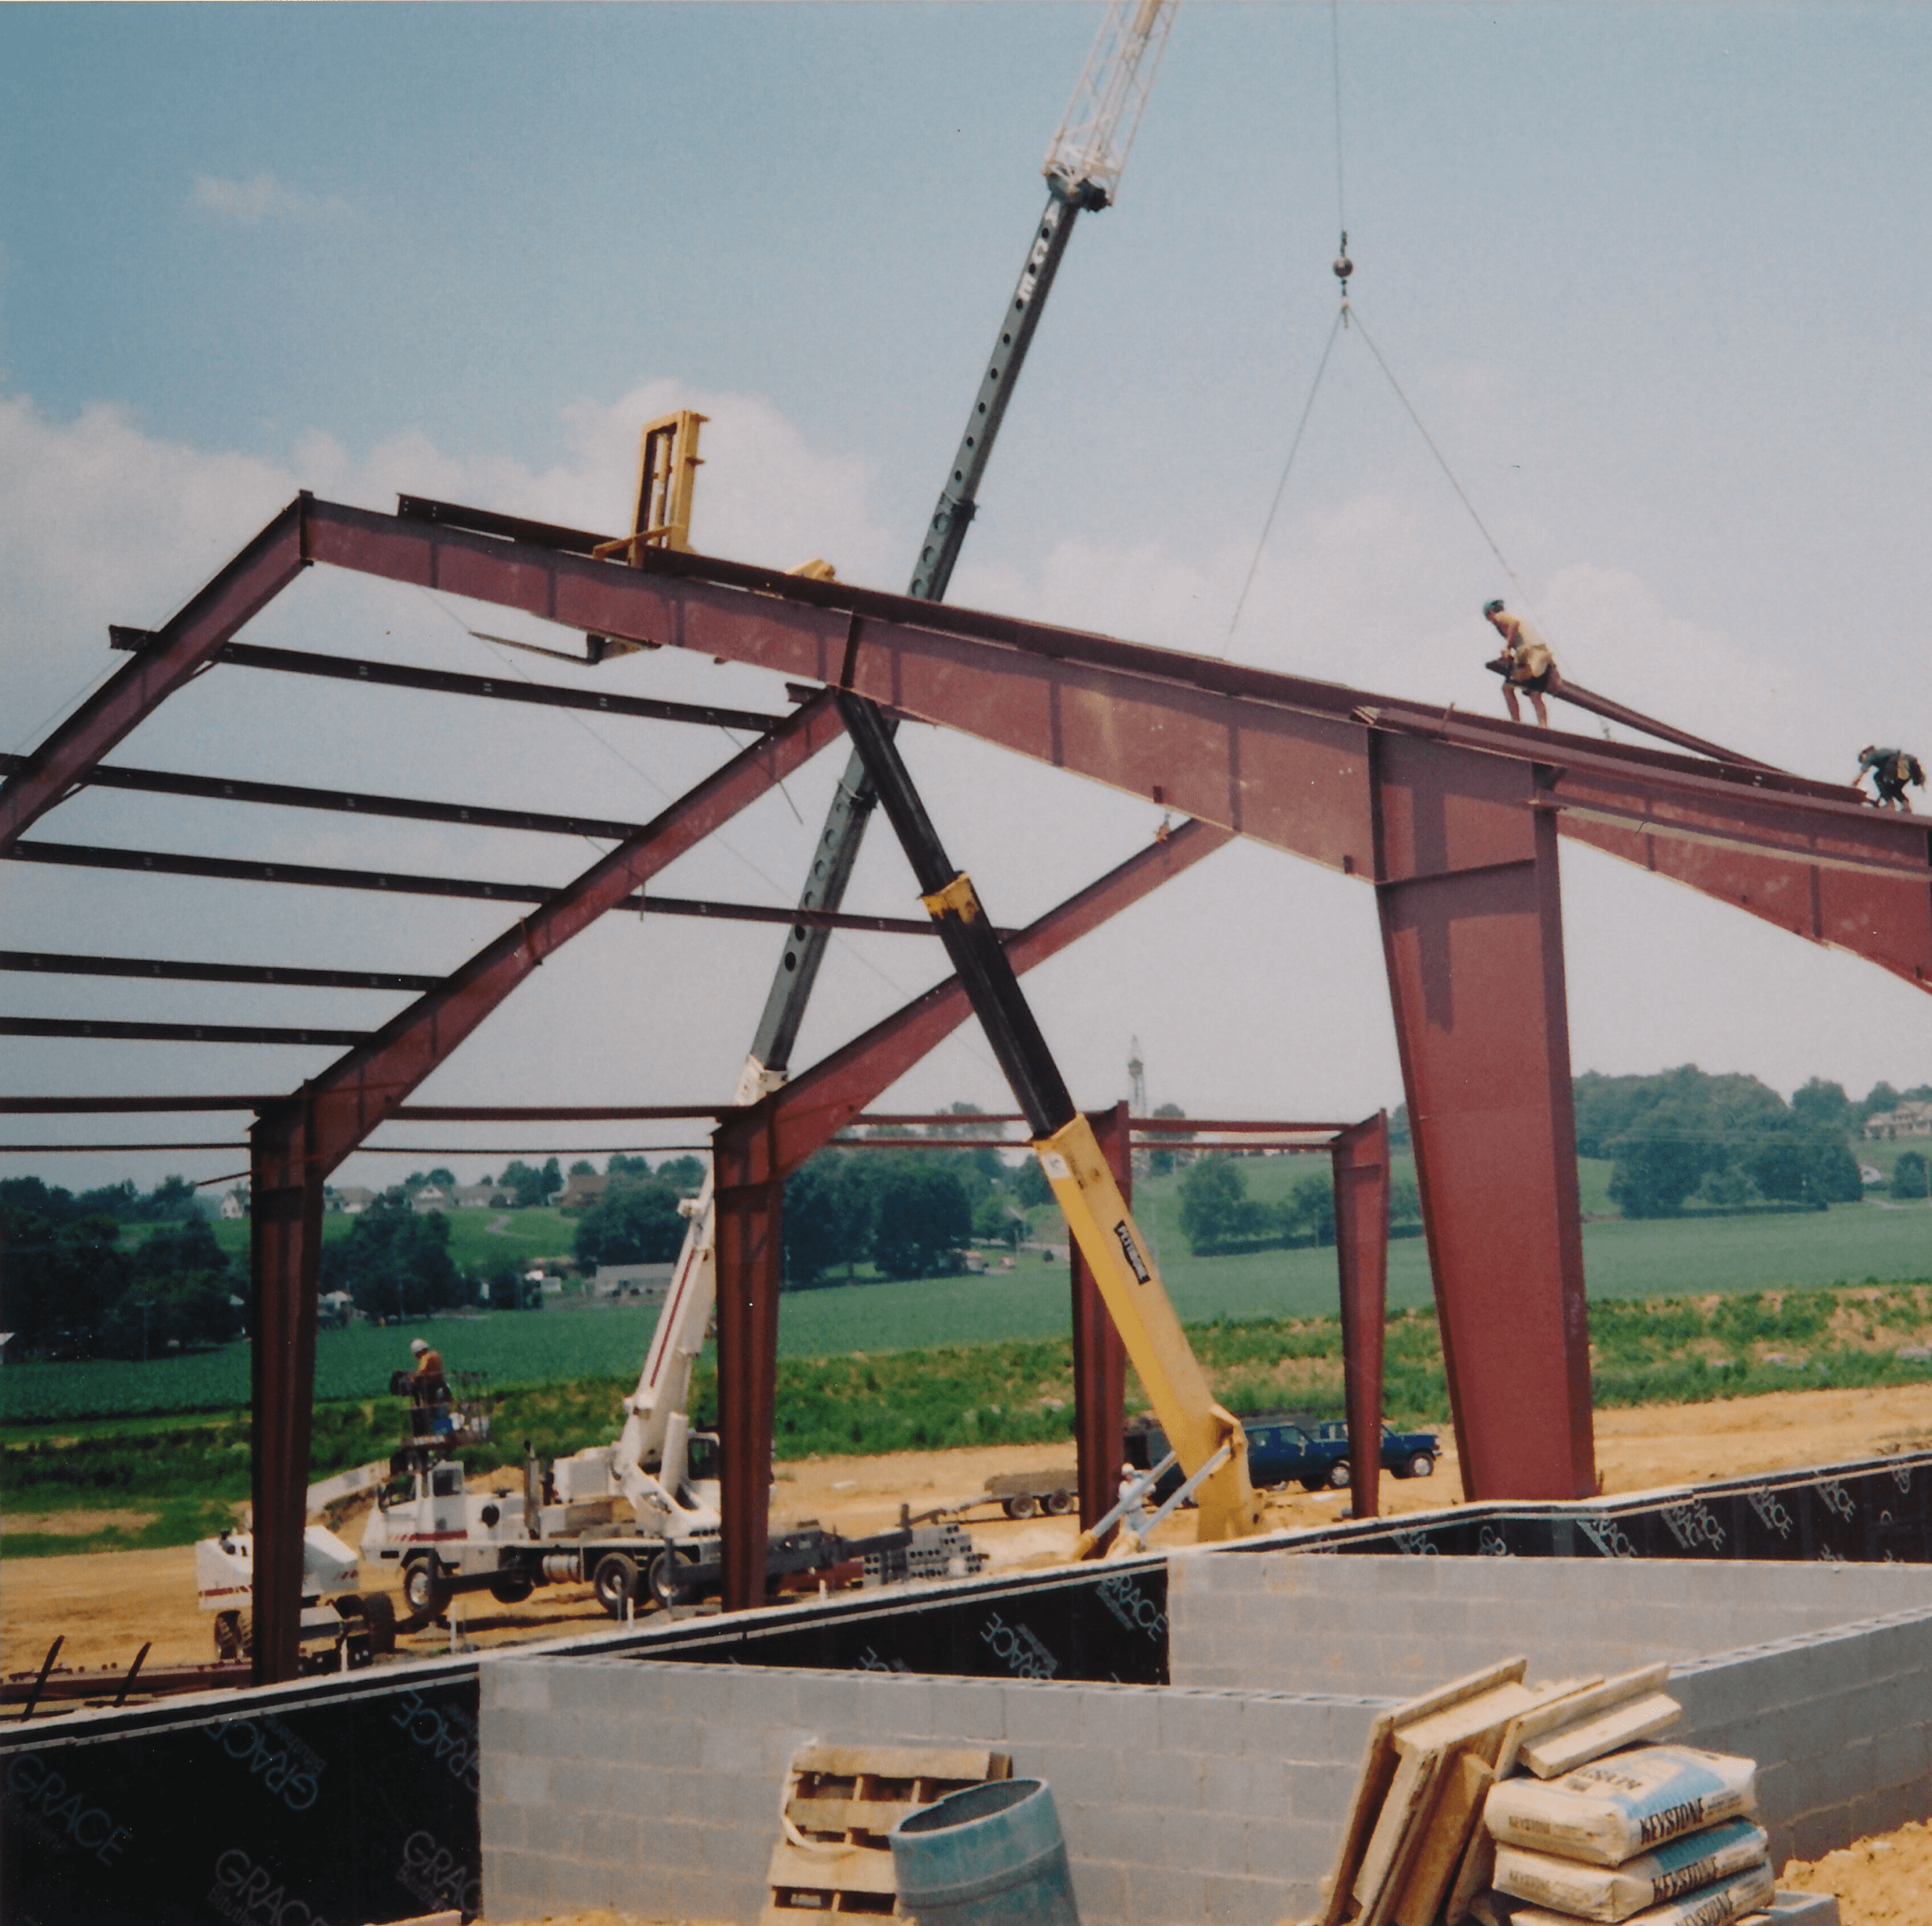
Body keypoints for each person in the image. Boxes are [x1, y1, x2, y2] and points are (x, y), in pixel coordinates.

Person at [1482, 598, 1562, 726]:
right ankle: (1544, 727)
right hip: (1541, 656)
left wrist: (1507, 647)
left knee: (1507, 689)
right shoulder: (1520, 623)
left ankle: (1516, 723)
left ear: (1490, 614)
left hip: (1529, 655)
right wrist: (1554, 668)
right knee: (1535, 694)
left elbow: (1514, 623)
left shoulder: (1500, 616)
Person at [1856, 745, 1925, 812]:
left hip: (1898, 765)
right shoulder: (1883, 754)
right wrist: (1879, 799)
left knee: (1877, 777)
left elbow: (1864, 769)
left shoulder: (1871, 754)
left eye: (1862, 759)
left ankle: (1890, 805)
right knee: (1895, 789)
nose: (1863, 761)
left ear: (1865, 753)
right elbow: (1886, 786)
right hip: (1908, 767)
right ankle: (1906, 806)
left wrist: (1856, 781)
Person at [1118, 1461, 1151, 1539]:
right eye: (1127, 1473)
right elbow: (1122, 1500)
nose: (1129, 1475)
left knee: (1142, 1534)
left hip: (1138, 1511)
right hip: (1128, 1514)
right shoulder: (1123, 1486)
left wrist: (1144, 1476)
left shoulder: (1138, 1482)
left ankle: (1143, 1548)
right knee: (1128, 1536)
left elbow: (1150, 1489)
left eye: (1130, 1473)